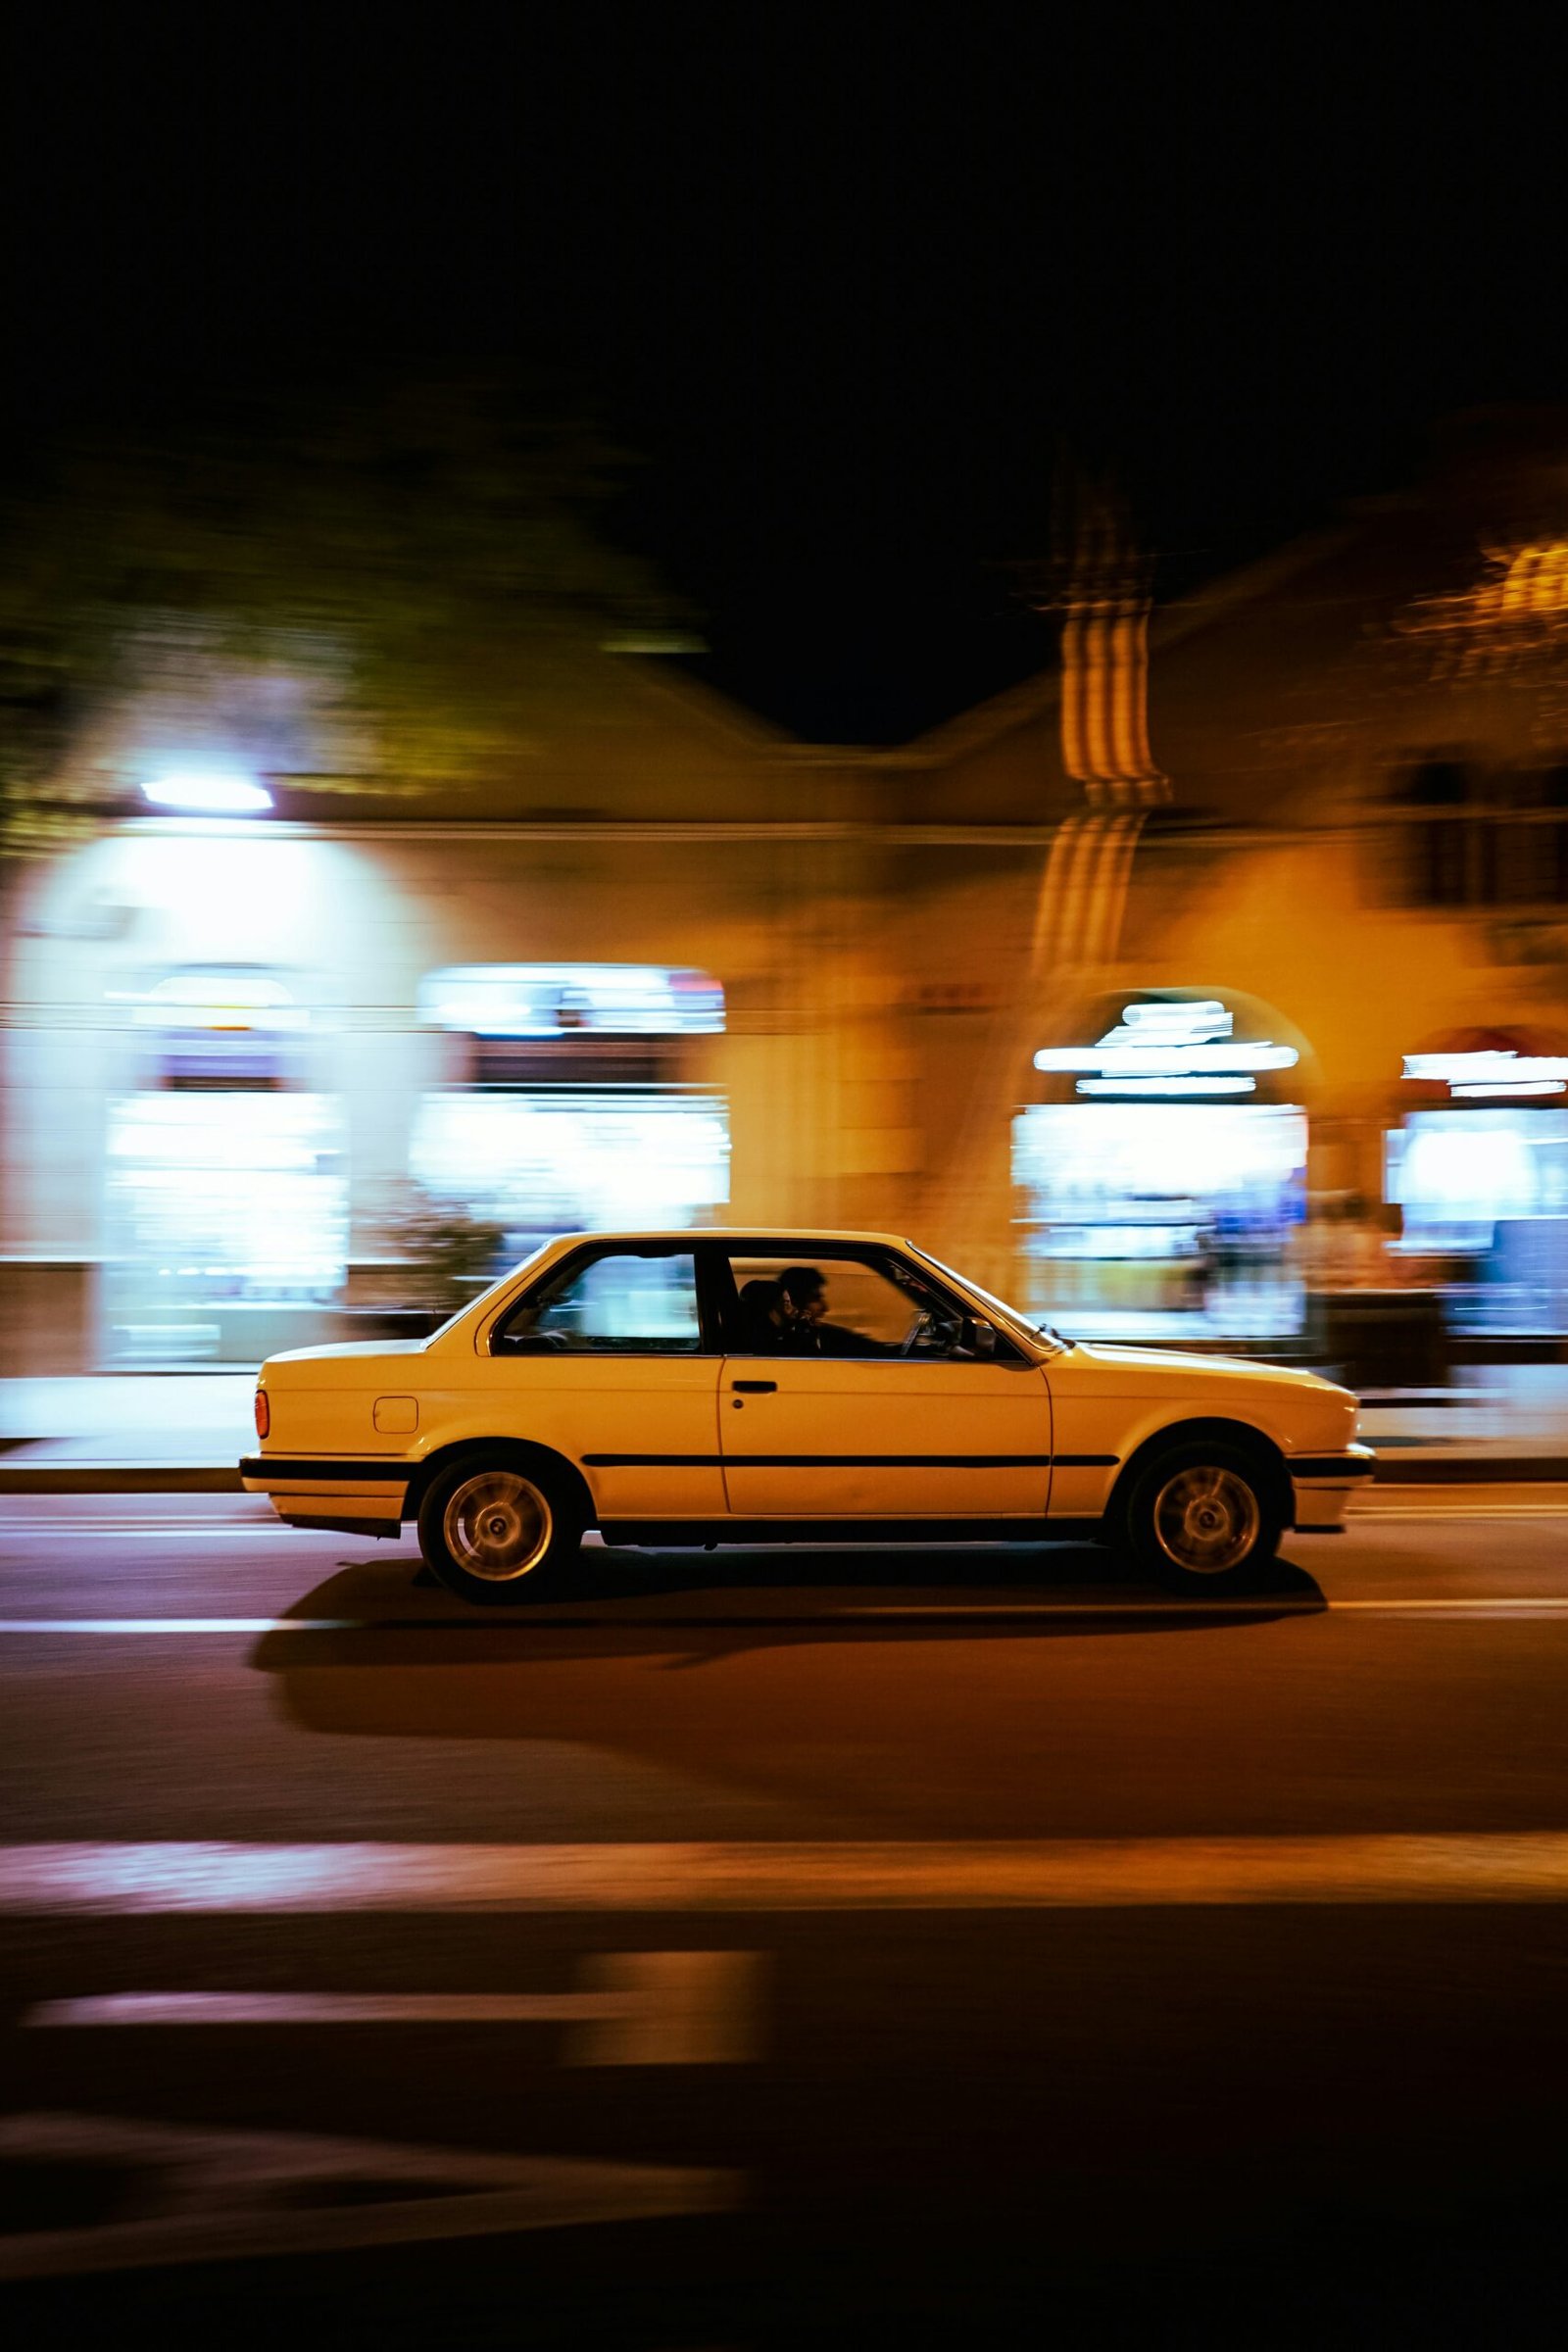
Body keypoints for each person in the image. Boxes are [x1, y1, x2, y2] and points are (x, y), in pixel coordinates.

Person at [776, 1265, 897, 1356]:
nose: (825, 1308)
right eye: (816, 1298)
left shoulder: (828, 1335)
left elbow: (868, 1348)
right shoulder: (778, 1344)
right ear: (795, 1303)